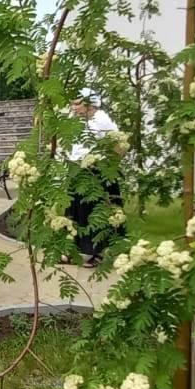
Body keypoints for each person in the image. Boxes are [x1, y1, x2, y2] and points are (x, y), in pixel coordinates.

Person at [68, 87, 123, 267]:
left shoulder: (102, 119)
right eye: (72, 104)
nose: (73, 107)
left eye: (77, 103)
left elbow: (119, 146)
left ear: (89, 103)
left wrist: (108, 169)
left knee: (94, 213)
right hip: (77, 171)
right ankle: (73, 251)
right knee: (74, 211)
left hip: (95, 173)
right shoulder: (75, 120)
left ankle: (96, 252)